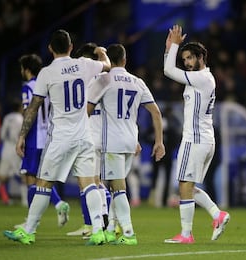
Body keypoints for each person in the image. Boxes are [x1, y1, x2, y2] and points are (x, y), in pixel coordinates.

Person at [3, 29, 111, 245]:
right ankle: (98, 230)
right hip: (84, 135)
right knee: (89, 184)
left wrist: (22, 136)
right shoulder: (84, 64)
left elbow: (33, 108)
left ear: (50, 48)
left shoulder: (46, 73)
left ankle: (29, 230)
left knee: (43, 184)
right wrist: (102, 51)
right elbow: (107, 66)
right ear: (71, 47)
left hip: (60, 137)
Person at [87, 43, 165, 245]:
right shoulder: (137, 81)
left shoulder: (104, 80)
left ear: (109, 62)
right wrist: (159, 142)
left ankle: (128, 233)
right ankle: (112, 229)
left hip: (112, 142)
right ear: (125, 60)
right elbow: (156, 112)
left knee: (118, 188)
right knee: (115, 188)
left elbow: (88, 109)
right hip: (131, 141)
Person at [163, 24, 230, 244]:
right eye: (185, 60)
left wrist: (173, 47)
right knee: (188, 186)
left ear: (202, 57)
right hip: (203, 138)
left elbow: (168, 71)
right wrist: (169, 50)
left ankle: (186, 234)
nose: (188, 63)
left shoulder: (202, 78)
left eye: (191, 58)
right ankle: (217, 215)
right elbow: (171, 69)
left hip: (196, 139)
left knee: (184, 184)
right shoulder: (202, 78)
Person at [15, 54, 70, 228]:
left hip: (34, 139)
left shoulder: (29, 87)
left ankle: (32, 223)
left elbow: (27, 112)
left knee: (31, 180)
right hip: (49, 137)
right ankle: (56, 206)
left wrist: (22, 137)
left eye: (22, 68)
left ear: (27, 69)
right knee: (42, 180)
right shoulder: (47, 84)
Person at [66, 42, 111, 239]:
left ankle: (95, 223)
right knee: (98, 182)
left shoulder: (84, 77)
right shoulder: (106, 78)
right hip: (104, 133)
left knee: (88, 183)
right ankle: (102, 221)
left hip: (88, 133)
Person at [0, 99, 23, 205]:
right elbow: (20, 134)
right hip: (15, 148)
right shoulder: (20, 118)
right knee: (23, 175)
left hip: (6, 147)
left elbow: (2, 134)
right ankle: (25, 201)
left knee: (2, 176)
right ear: (19, 108)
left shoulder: (7, 117)